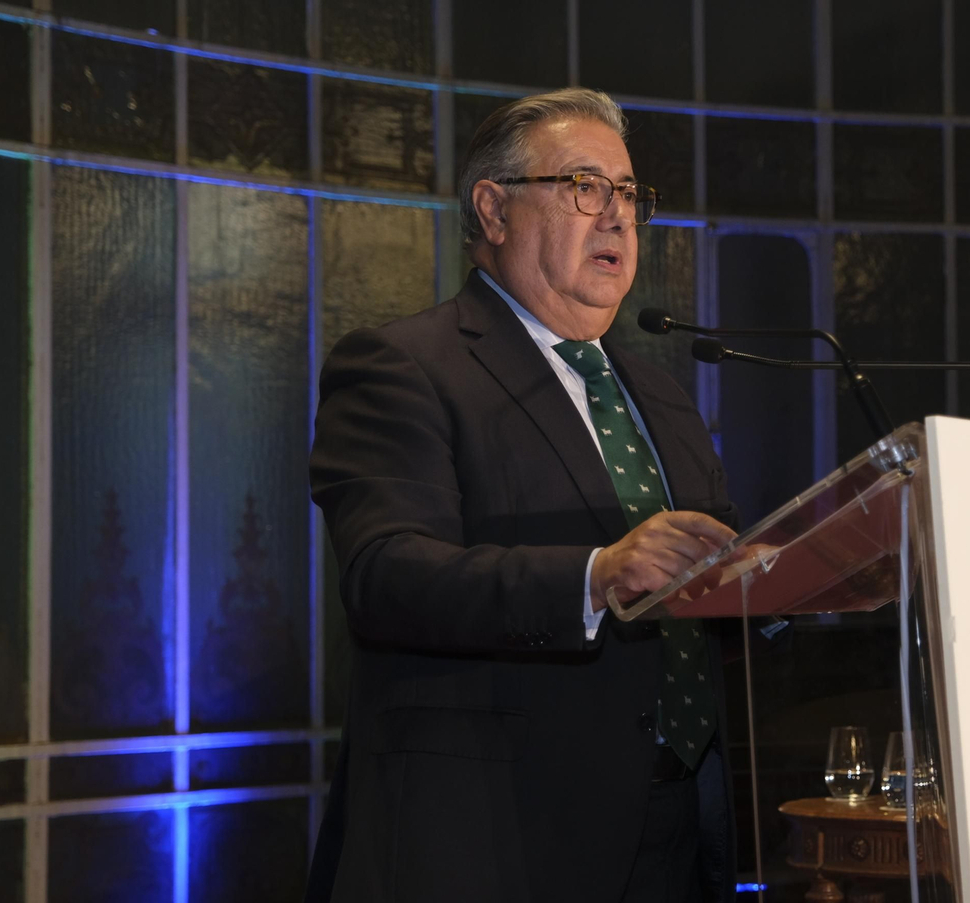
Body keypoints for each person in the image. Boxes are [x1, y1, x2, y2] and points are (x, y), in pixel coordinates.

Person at [305, 88, 743, 903]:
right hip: (502, 842)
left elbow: (708, 577)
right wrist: (594, 576)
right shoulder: (405, 367)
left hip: (684, 829)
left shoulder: (664, 396)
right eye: (584, 185)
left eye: (629, 194)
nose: (617, 216)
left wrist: (805, 581)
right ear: (494, 210)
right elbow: (386, 575)